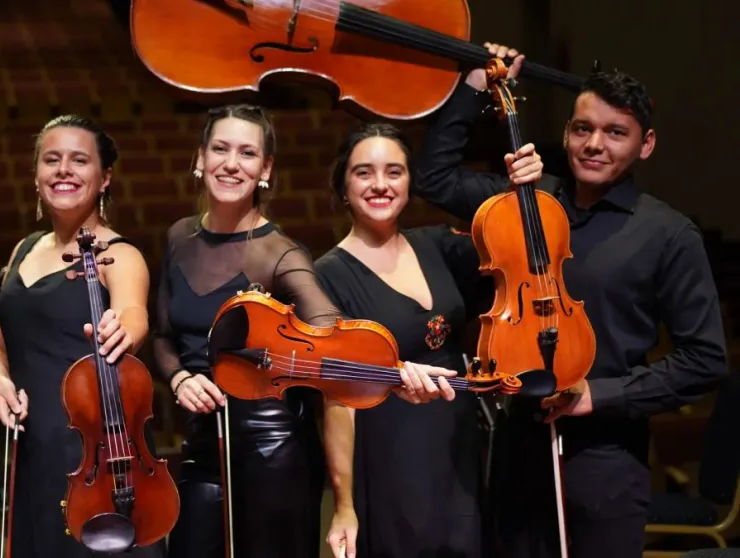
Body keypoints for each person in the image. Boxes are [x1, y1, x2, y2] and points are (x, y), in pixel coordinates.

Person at [412, 43, 729, 558]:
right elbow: (434, 179)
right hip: (518, 448)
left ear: (646, 144)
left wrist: (598, 395)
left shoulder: (668, 235)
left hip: (606, 459)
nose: (594, 144)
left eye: (615, 133)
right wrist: (474, 85)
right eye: (583, 129)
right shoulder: (526, 198)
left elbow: (705, 360)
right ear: (565, 133)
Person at [152, 104, 458, 558]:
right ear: (200, 157)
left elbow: (333, 340)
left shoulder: (281, 254)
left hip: (273, 450)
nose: (231, 163)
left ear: (265, 169)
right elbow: (162, 336)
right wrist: (179, 378)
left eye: (247, 153)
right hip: (202, 447)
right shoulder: (179, 237)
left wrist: (393, 375)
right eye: (220, 149)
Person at [314, 122, 542, 558]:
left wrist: (521, 188)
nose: (380, 185)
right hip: (392, 453)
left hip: (459, 443)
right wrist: (343, 507)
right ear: (343, 186)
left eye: (394, 172)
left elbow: (517, 243)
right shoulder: (326, 276)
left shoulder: (437, 244)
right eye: (363, 173)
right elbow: (338, 402)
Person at [0, 115, 165, 557]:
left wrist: (123, 330)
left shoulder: (118, 254)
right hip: (29, 448)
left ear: (105, 177)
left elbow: (134, 314)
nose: (63, 169)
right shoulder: (23, 250)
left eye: (79, 160)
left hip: (93, 456)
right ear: (36, 175)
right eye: (51, 159)